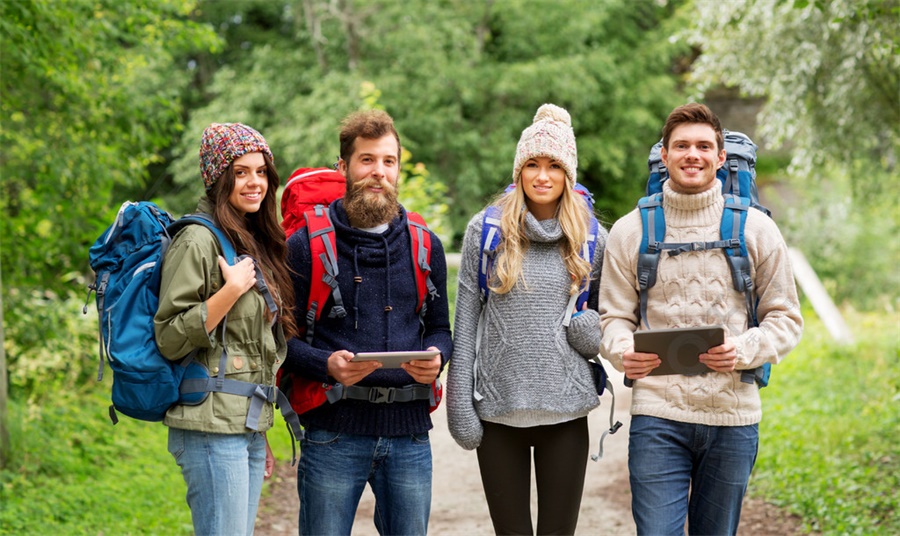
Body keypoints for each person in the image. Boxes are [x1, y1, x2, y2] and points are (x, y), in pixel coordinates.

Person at [598, 103, 803, 535]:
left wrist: (744, 349)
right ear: (665, 155)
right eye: (682, 146)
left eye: (704, 146)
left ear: (721, 156)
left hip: (733, 418)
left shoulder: (757, 230)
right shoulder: (630, 231)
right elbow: (613, 317)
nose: (693, 154)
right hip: (657, 416)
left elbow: (785, 318)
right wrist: (622, 351)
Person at [283, 109, 453, 535]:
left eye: (388, 161)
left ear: (397, 168)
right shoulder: (304, 245)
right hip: (333, 431)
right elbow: (279, 341)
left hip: (410, 433)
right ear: (343, 167)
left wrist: (437, 357)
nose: (378, 172)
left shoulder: (424, 243)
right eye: (367, 160)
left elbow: (440, 329)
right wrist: (327, 365)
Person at [447, 103, 606, 535]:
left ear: (568, 174)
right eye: (532, 164)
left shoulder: (592, 237)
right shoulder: (487, 231)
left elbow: (601, 330)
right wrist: (459, 404)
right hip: (499, 414)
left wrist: (590, 332)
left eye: (554, 165)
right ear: (518, 171)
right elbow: (465, 325)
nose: (542, 175)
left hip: (566, 415)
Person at [154, 122, 298, 535]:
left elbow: (249, 350)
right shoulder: (197, 241)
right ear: (218, 178)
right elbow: (168, 336)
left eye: (261, 172)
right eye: (241, 172)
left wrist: (259, 430)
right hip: (210, 432)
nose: (255, 183)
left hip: (243, 426)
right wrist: (230, 291)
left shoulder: (249, 239)